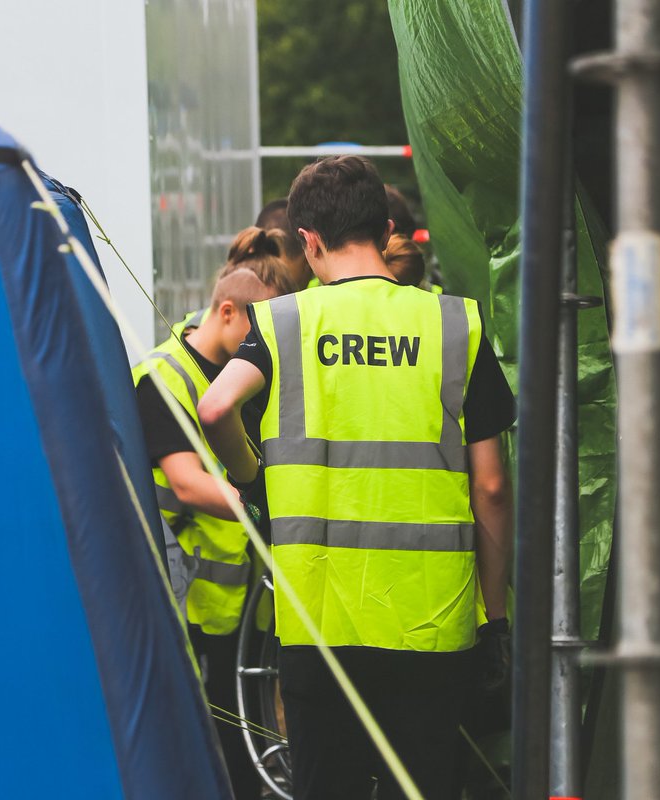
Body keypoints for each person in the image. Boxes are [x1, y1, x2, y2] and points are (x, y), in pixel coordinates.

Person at [199, 156, 515, 800]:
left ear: (309, 242)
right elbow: (491, 488)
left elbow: (214, 407)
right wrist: (495, 615)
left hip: (320, 621)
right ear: (385, 227)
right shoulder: (455, 324)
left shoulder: (284, 324)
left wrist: (251, 477)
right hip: (433, 621)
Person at [133, 227, 297, 799]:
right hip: (193, 600)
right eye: (258, 332)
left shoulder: (237, 376)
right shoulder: (164, 377)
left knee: (244, 738)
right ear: (228, 311)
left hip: (243, 597)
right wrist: (278, 505)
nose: (265, 350)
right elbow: (187, 482)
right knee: (211, 742)